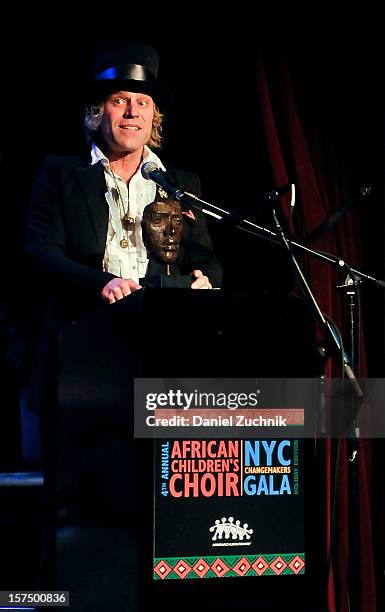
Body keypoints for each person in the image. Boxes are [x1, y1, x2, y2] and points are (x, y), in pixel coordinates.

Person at [26, 40, 222, 322]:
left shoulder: (180, 183)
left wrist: (206, 281)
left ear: (153, 116)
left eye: (142, 102)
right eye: (120, 100)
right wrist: (101, 283)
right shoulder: (59, 173)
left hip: (163, 328)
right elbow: (41, 252)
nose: (132, 111)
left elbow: (205, 260)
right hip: (86, 325)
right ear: (98, 112)